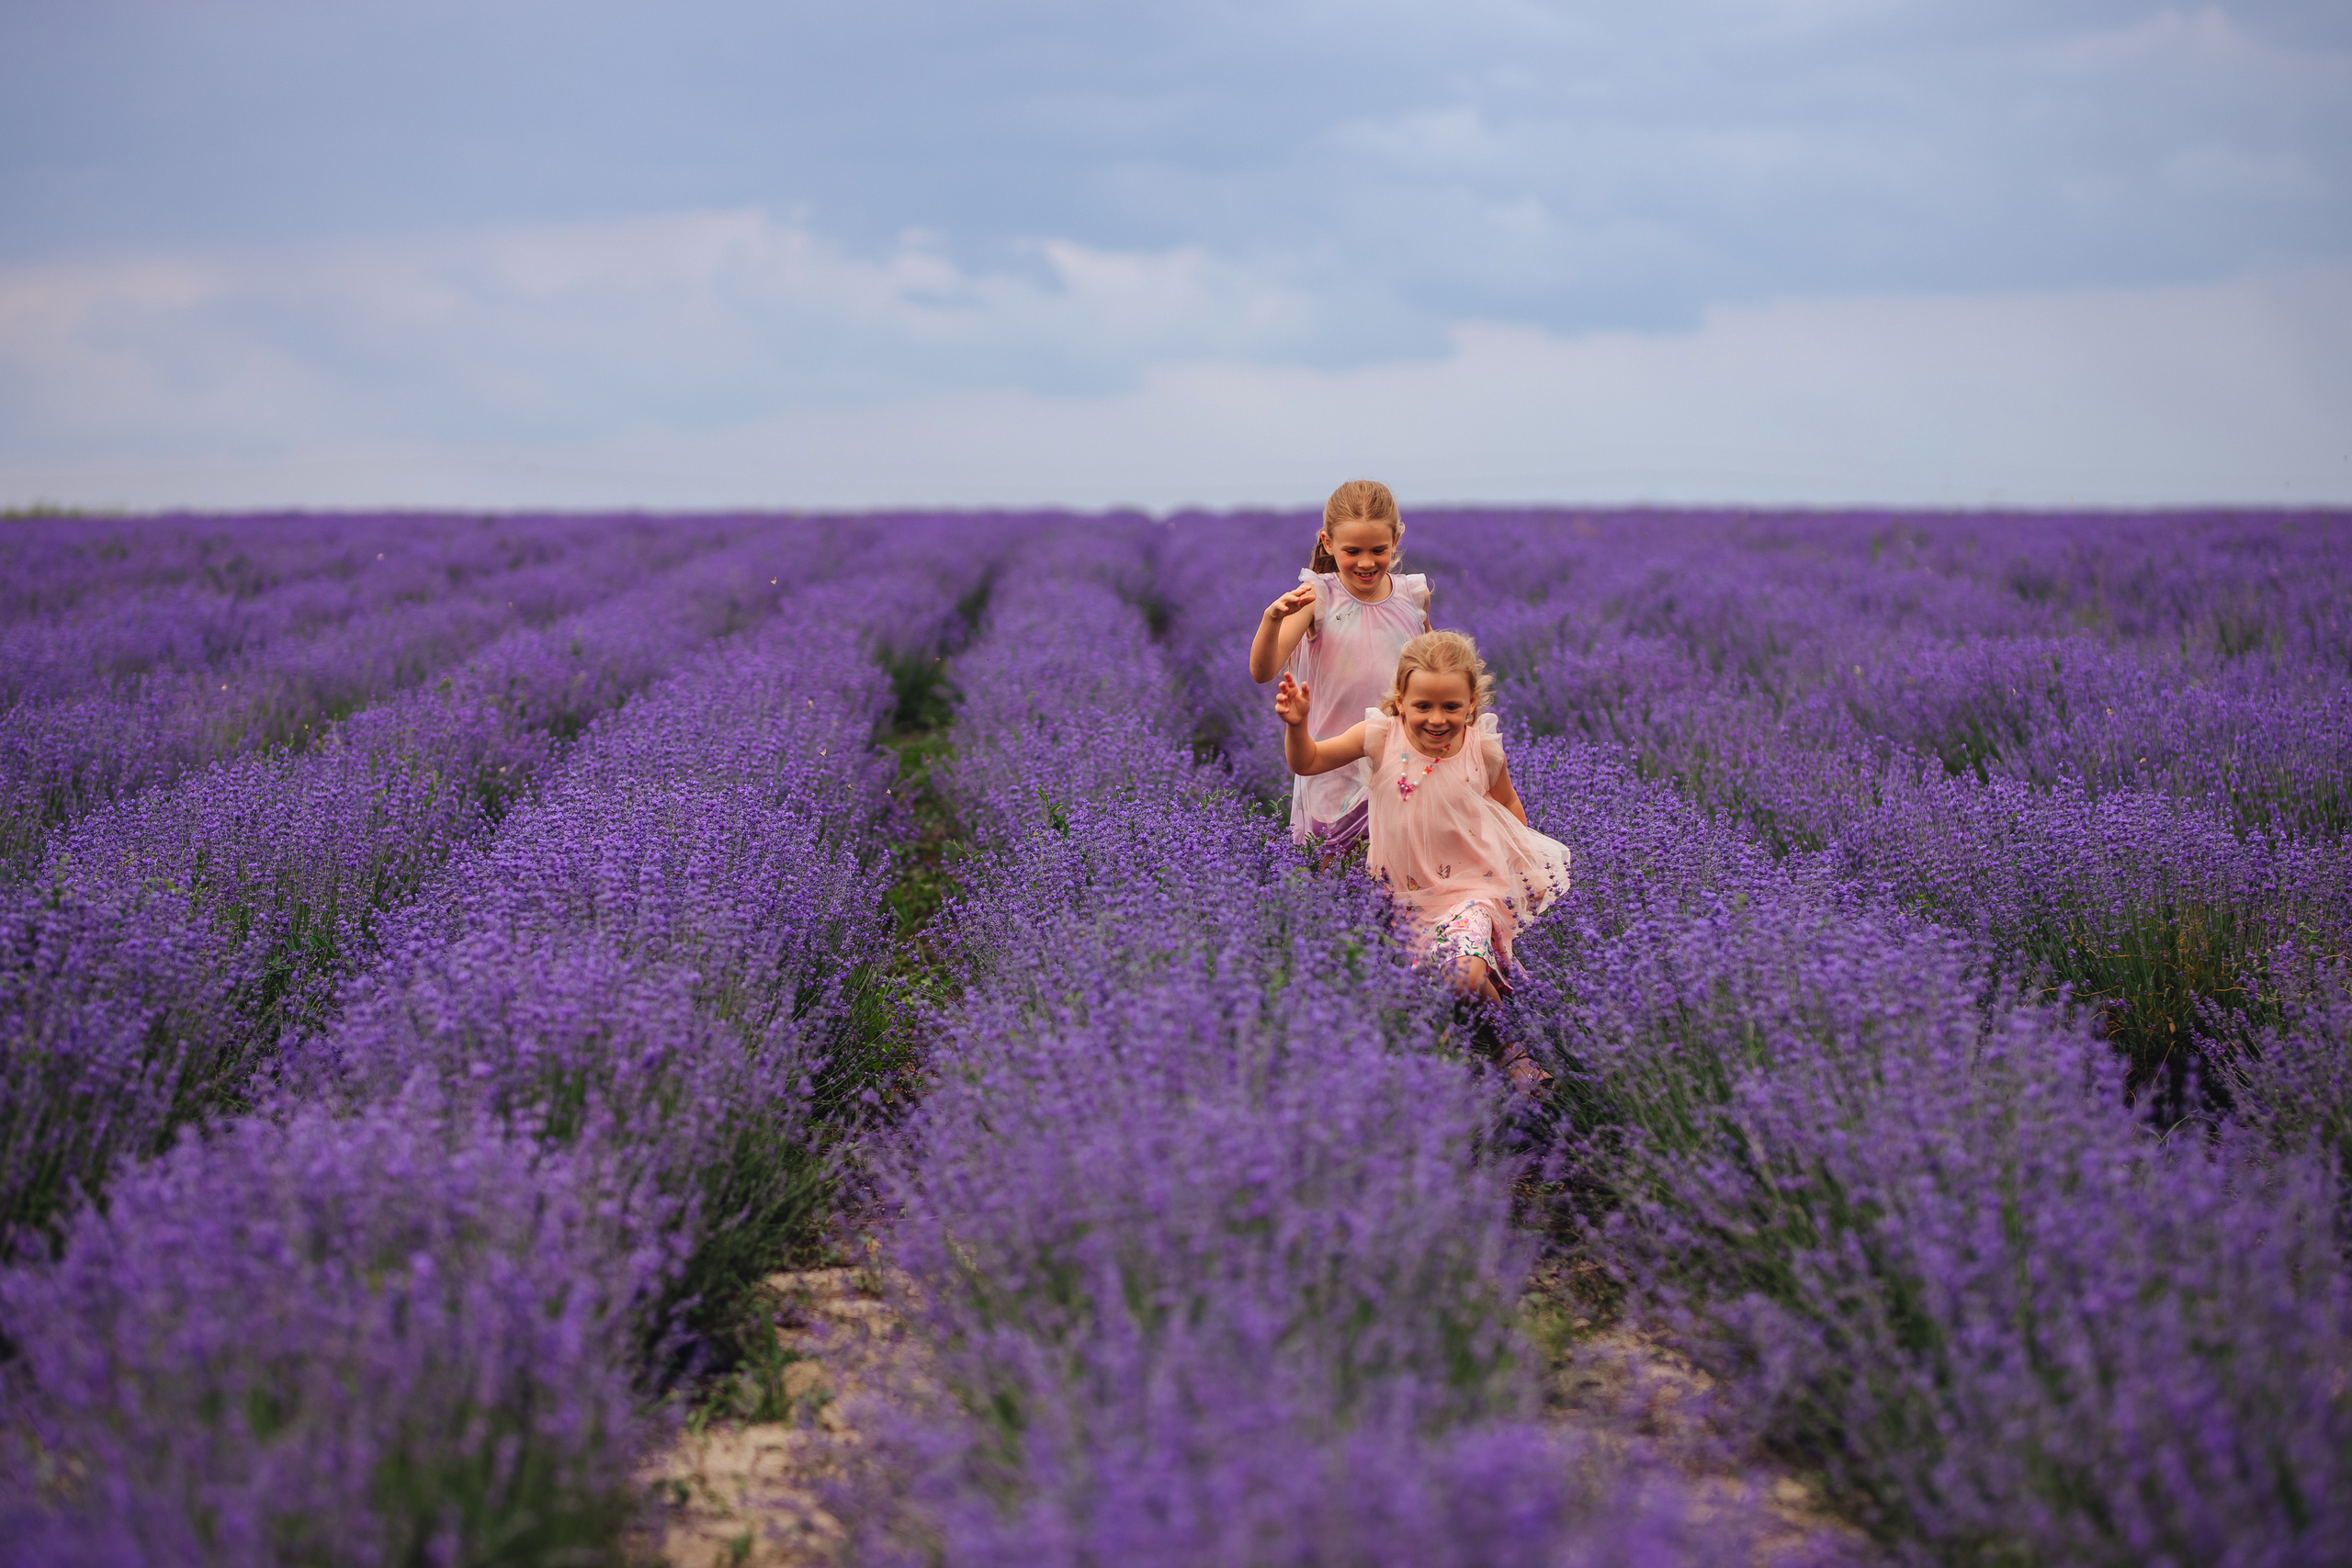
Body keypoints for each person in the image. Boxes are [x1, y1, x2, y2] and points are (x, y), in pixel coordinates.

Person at [1274, 630, 1569, 1090]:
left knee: (1463, 974)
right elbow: (1307, 762)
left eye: (1451, 707)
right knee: (1438, 993)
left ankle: (1512, 1055)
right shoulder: (1379, 737)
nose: (1437, 719)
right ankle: (1475, 1047)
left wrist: (1526, 864)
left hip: (1473, 889)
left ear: (1472, 703)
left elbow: (1508, 805)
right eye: (1423, 706)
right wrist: (1297, 726)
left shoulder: (1482, 749)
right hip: (1403, 899)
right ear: (1400, 700)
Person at [1248, 480, 1430, 856]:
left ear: (1396, 540)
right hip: (1331, 766)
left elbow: (1437, 670)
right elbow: (1263, 671)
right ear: (1328, 543)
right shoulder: (1317, 596)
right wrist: (1270, 620)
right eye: (1352, 551)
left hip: (1402, 765)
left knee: (1398, 877)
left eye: (1378, 550)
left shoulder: (1413, 595)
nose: (1366, 562)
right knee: (1330, 870)